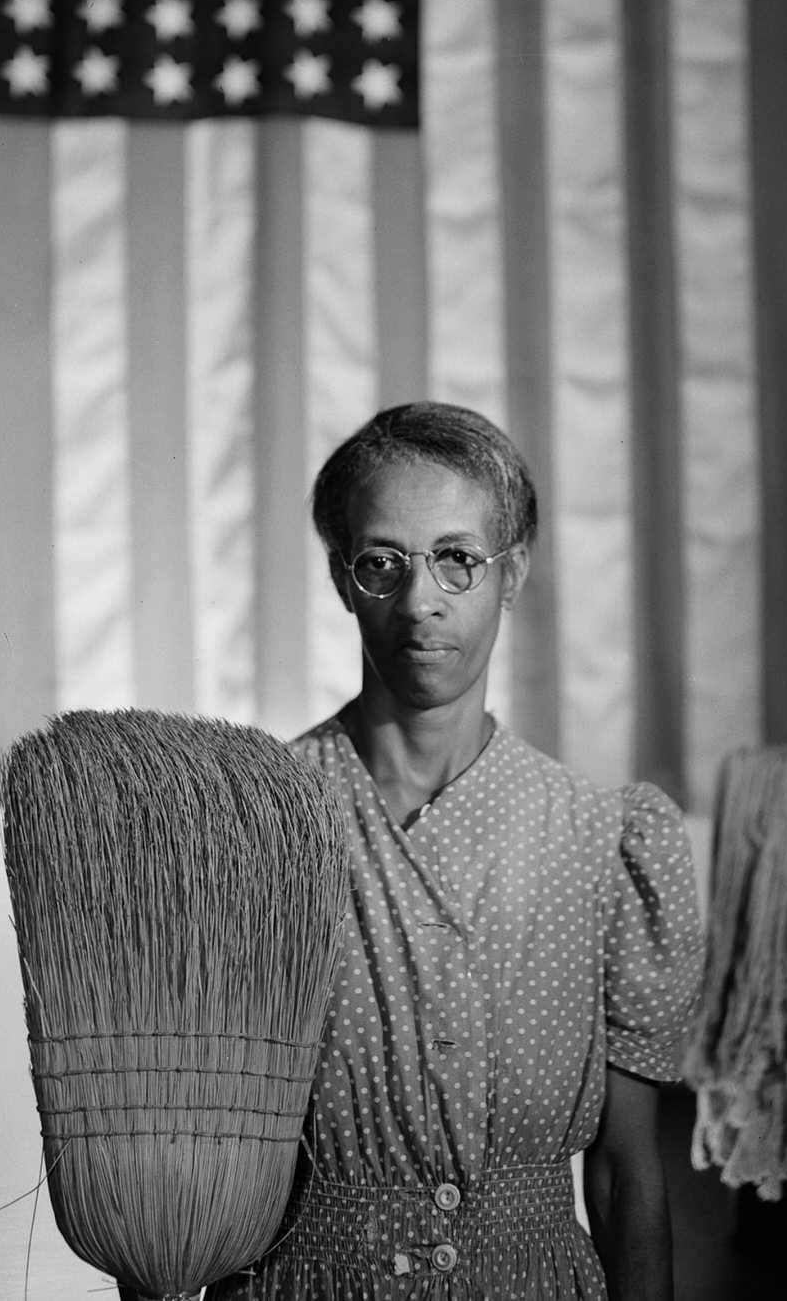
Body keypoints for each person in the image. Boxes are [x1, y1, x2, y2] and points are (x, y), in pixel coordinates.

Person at [208, 402, 704, 1300]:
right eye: (381, 563)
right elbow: (212, 1157)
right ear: (341, 578)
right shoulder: (261, 823)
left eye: (457, 559)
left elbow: (629, 1175)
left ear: (512, 572)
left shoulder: (598, 840)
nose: (420, 600)